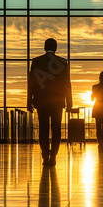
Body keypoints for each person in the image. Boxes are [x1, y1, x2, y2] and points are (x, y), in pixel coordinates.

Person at [27, 38, 72, 166]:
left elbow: (32, 83)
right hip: (57, 101)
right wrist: (69, 103)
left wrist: (29, 101)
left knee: (43, 129)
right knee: (56, 129)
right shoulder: (62, 62)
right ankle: (53, 156)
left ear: (44, 47)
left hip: (41, 101)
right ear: (56, 48)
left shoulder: (36, 61)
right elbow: (67, 84)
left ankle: (45, 155)